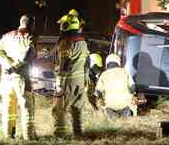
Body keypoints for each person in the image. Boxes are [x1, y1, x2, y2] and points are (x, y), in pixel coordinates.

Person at [0, 14, 37, 140]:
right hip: (21, 78)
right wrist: (15, 66)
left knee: (8, 108)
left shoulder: (6, 36)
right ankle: (29, 137)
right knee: (27, 108)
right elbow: (29, 52)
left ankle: (9, 135)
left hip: (6, 78)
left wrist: (7, 64)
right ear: (30, 24)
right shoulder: (29, 36)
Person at [52, 10, 90, 138]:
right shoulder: (82, 42)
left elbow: (65, 63)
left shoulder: (66, 42)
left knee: (59, 109)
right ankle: (78, 134)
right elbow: (87, 62)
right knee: (76, 109)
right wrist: (85, 79)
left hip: (68, 81)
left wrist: (59, 83)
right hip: (79, 81)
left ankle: (60, 135)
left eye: (61, 24)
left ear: (65, 26)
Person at [95, 54, 137, 118]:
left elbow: (98, 91)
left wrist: (101, 98)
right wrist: (132, 93)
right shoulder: (125, 72)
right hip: (125, 102)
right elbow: (133, 87)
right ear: (118, 63)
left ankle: (110, 112)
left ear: (107, 64)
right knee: (131, 106)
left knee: (106, 107)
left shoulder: (103, 74)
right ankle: (127, 111)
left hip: (110, 103)